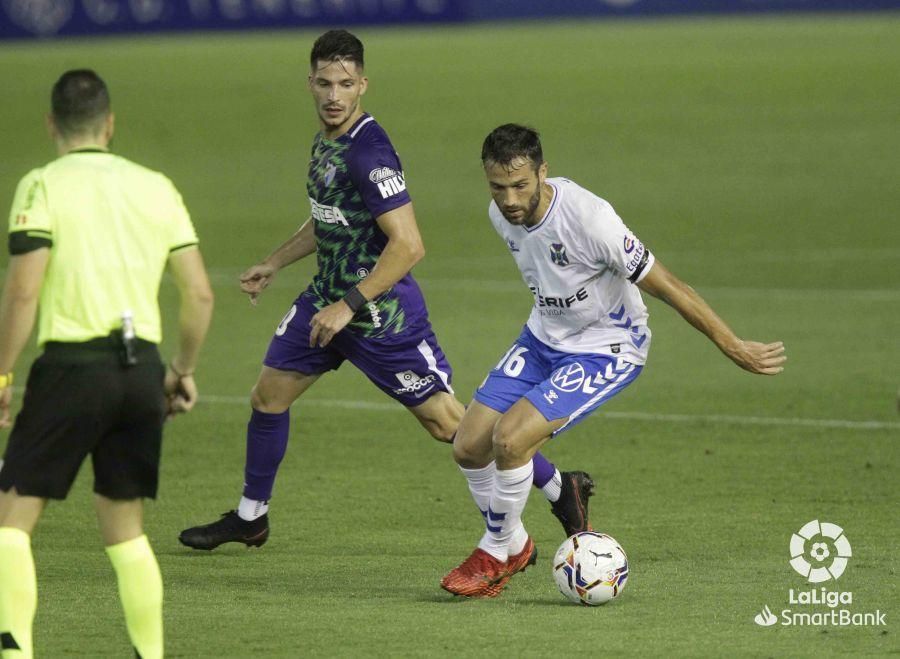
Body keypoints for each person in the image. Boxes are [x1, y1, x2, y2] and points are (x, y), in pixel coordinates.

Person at [179, 30, 592, 551]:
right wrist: (275, 261)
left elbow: (409, 244)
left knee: (455, 429)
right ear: (310, 82)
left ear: (363, 86)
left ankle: (560, 488)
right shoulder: (327, 140)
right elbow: (329, 218)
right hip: (326, 301)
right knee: (268, 396)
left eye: (345, 84)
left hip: (381, 318)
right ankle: (250, 517)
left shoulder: (369, 153)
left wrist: (348, 305)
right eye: (325, 83)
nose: (334, 95)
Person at [440, 124, 787, 598]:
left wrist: (732, 344)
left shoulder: (590, 219)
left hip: (608, 346)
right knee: (468, 444)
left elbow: (670, 287)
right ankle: (522, 534)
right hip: (542, 338)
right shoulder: (500, 215)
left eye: (520, 185)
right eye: (498, 187)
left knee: (512, 438)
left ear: (544, 172)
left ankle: (497, 549)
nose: (510, 199)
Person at [0, 70, 214, 658]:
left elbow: (22, 293)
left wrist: (1, 372)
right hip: (140, 371)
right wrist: (181, 369)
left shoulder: (41, 186)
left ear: (52, 125)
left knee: (9, 523)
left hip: (72, 367)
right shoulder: (156, 186)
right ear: (110, 124)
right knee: (125, 532)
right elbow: (198, 294)